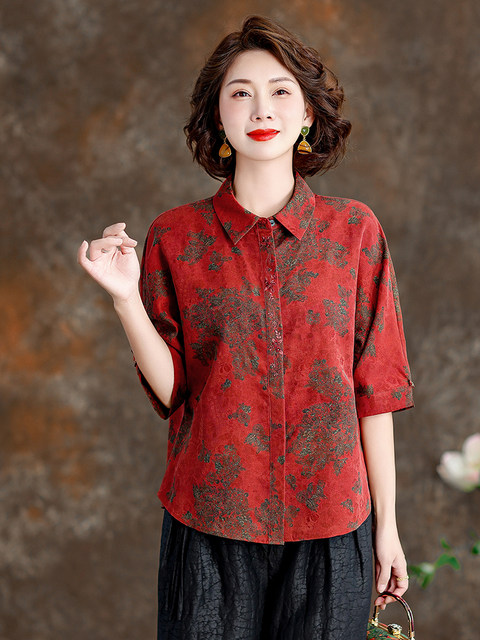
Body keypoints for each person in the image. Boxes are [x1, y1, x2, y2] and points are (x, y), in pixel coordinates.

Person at [78, 15, 415, 640]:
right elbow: (174, 389)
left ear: (308, 113)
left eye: (281, 90)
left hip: (334, 524)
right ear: (218, 116)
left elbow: (375, 393)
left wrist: (387, 528)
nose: (261, 108)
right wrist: (126, 300)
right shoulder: (175, 236)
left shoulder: (355, 232)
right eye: (241, 92)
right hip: (208, 523)